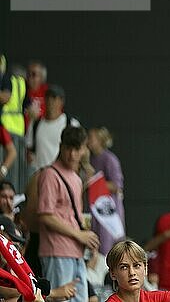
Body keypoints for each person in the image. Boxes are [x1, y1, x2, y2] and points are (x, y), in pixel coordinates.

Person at [37, 126, 99, 302]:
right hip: (56, 249)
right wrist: (79, 234)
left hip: (76, 251)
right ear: (61, 146)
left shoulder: (76, 177)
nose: (72, 155)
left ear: (84, 149)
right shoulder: (50, 174)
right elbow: (45, 215)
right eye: (68, 149)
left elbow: (73, 216)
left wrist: (86, 238)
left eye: (77, 149)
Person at [87, 127, 125, 255]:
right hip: (95, 207)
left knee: (107, 244)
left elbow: (117, 185)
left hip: (107, 209)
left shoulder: (109, 159)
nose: (88, 141)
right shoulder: (90, 159)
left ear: (100, 140)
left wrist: (94, 182)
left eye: (91, 138)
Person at [26, 85, 80, 172]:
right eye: (47, 97)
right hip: (41, 176)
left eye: (54, 98)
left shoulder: (71, 124)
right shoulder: (35, 124)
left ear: (61, 101)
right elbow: (29, 148)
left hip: (64, 176)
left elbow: (81, 149)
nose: (50, 101)